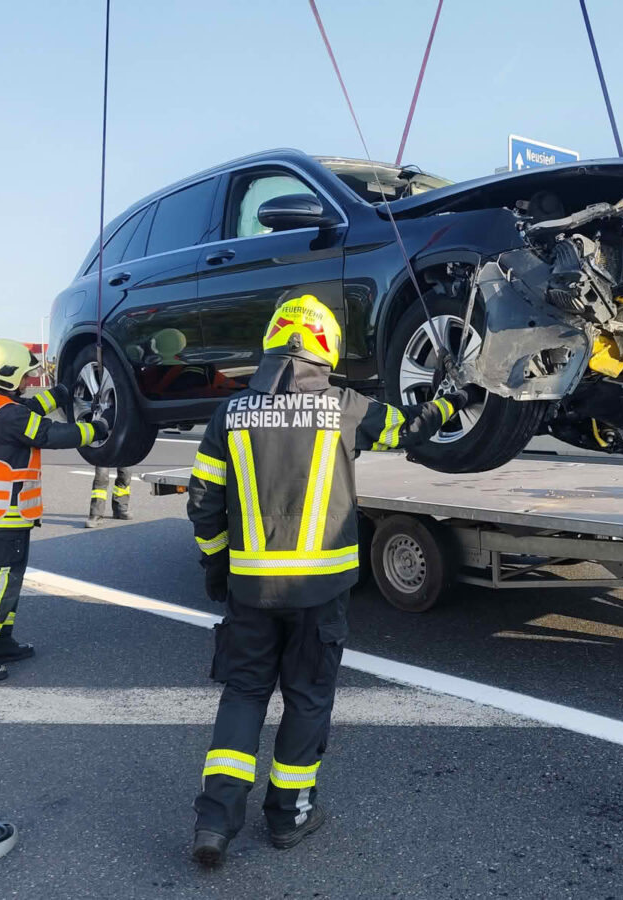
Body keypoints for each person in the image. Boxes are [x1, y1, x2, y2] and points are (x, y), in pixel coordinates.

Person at [186, 295, 470, 865]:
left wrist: (218, 565)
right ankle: (289, 818)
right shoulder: (346, 408)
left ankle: (215, 824)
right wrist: (446, 402)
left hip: (251, 591)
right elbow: (410, 431)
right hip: (321, 594)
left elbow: (202, 501)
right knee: (307, 700)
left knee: (243, 696)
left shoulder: (231, 414)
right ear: (326, 348)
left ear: (271, 342)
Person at [0, 339, 109, 684]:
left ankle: (0, 641)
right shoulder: (8, 415)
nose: (27, 383)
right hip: (0, 518)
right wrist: (94, 430)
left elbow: (30, 409)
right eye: (24, 377)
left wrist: (62, 393)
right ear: (7, 377)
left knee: (5, 582)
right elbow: (49, 433)